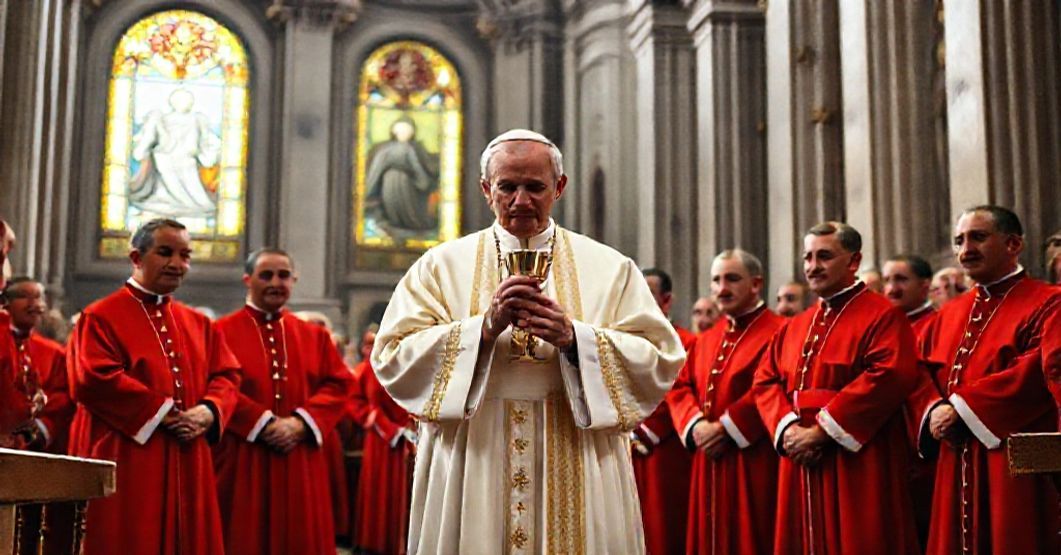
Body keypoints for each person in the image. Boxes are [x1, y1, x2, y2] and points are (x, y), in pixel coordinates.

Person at [371, 129, 686, 553]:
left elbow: (659, 357)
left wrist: (576, 340)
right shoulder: (439, 266)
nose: (521, 200)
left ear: (559, 187)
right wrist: (480, 330)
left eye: (535, 187)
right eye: (508, 187)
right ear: (486, 189)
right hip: (475, 451)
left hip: (578, 447)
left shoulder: (611, 267)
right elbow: (392, 354)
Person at [67, 218, 241, 555]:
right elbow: (91, 378)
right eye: (165, 253)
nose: (178, 264)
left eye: (185, 255)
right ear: (136, 257)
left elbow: (227, 375)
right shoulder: (100, 316)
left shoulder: (199, 323)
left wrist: (208, 411)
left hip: (189, 454)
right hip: (128, 453)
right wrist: (163, 413)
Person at [753, 221, 920, 554]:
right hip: (798, 454)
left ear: (854, 262)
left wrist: (821, 432)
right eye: (808, 257)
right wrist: (786, 428)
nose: (813, 267)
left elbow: (889, 375)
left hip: (857, 456)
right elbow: (765, 379)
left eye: (824, 256)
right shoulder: (796, 325)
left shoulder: (883, 315)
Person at [908, 206, 1060, 554]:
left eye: (978, 237)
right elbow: (919, 373)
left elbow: (1040, 368)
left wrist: (963, 408)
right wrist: (932, 410)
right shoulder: (946, 314)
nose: (965, 250)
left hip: (1012, 460)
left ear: (1013, 244)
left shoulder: (1049, 302)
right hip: (955, 454)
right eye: (959, 240)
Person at [213, 248, 353, 555]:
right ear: (247, 280)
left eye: (283, 275)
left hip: (299, 456)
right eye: (266, 275)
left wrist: (301, 422)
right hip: (242, 455)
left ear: (294, 280)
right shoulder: (218, 332)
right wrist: (260, 423)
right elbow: (213, 385)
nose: (276, 282)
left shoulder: (312, 336)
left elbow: (340, 383)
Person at [667, 249, 784, 554]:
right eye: (716, 280)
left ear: (756, 284)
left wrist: (728, 428)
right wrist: (694, 426)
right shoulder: (707, 338)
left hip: (754, 457)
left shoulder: (780, 331)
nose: (722, 288)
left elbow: (772, 388)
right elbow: (680, 387)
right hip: (707, 456)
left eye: (732, 279)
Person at [2, 277, 77, 554]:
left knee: (29, 530)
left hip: (33, 456)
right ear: (5, 302)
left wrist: (32, 433)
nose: (36, 305)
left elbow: (62, 398)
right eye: (26, 296)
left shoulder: (54, 354)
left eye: (40, 298)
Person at [632, 268, 694, 555]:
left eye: (647, 295)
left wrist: (643, 431)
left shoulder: (688, 342)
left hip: (664, 448)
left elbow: (681, 391)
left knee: (663, 528)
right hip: (625, 446)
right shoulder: (624, 340)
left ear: (666, 300)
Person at [882, 254, 937, 548]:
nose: (891, 289)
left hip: (924, 453)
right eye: (887, 280)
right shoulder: (882, 329)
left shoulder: (936, 325)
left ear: (925, 284)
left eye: (901, 280)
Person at [350, 324, 415, 554]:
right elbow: (356, 402)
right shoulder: (369, 369)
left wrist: (411, 426)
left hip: (412, 438)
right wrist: (385, 426)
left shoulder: (412, 365)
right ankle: (376, 543)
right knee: (379, 491)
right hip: (381, 441)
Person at [130, 89, 221, 217]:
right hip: (164, 158)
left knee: (192, 189)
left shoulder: (197, 119)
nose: (185, 103)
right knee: (166, 183)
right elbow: (150, 138)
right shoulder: (161, 118)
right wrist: (141, 150)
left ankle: (188, 203)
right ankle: (166, 199)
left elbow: (205, 140)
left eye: (188, 100)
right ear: (173, 102)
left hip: (186, 159)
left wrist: (207, 155)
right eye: (181, 100)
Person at [363, 116, 440, 233]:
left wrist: (418, 179)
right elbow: (375, 174)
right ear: (394, 131)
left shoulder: (416, 150)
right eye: (401, 130)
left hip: (412, 195)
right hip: (387, 191)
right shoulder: (384, 150)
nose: (404, 133)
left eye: (407, 130)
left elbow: (423, 178)